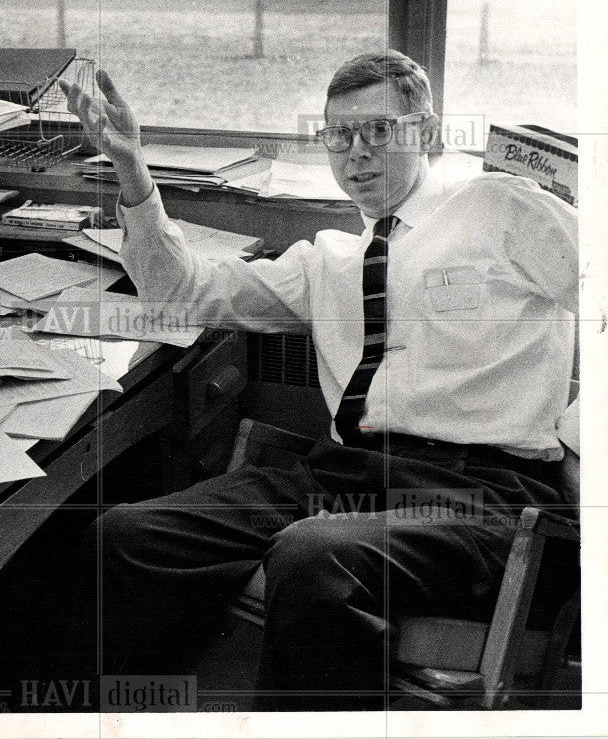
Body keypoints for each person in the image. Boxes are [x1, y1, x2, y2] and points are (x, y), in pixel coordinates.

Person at [57, 50, 579, 711]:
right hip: (343, 476)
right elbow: (179, 296)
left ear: (426, 131)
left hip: (480, 495)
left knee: (313, 556)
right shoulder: (326, 259)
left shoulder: (501, 207)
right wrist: (131, 166)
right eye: (339, 135)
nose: (357, 154)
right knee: (123, 538)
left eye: (380, 132)